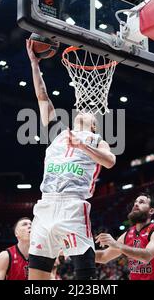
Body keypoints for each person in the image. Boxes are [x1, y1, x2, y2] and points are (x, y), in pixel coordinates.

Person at [25, 39, 116, 280]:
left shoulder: (97, 141)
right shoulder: (58, 132)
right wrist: (35, 64)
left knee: (84, 271)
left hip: (72, 206)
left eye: (89, 115)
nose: (83, 113)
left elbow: (110, 162)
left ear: (94, 126)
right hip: (45, 204)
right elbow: (42, 97)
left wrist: (84, 146)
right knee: (37, 273)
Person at [95, 194, 154, 280]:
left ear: (151, 211)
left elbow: (147, 256)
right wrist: (80, 253)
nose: (136, 204)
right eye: (135, 203)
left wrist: (117, 245)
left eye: (141, 202)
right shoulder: (127, 234)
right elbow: (103, 257)